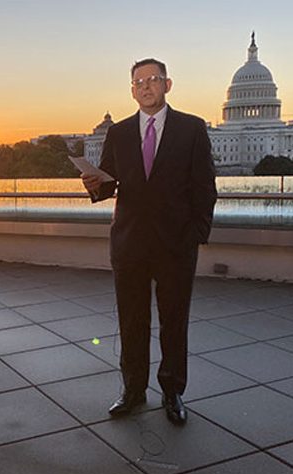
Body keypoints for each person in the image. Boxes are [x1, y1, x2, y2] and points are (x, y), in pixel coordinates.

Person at [82, 58, 217, 424]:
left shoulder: (191, 128)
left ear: (167, 85)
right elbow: (110, 185)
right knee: (132, 321)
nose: (145, 87)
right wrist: (94, 186)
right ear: (132, 90)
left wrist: (196, 236)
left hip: (176, 245)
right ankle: (133, 390)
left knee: (174, 322)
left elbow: (205, 187)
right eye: (138, 81)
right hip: (130, 244)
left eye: (153, 80)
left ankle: (172, 392)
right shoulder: (120, 133)